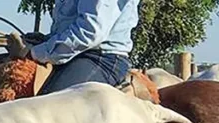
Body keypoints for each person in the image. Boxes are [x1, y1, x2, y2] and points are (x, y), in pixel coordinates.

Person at [12, 0, 141, 93]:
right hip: (75, 53)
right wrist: (46, 40)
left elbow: (90, 32)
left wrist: (32, 53)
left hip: (100, 58)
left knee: (48, 110)